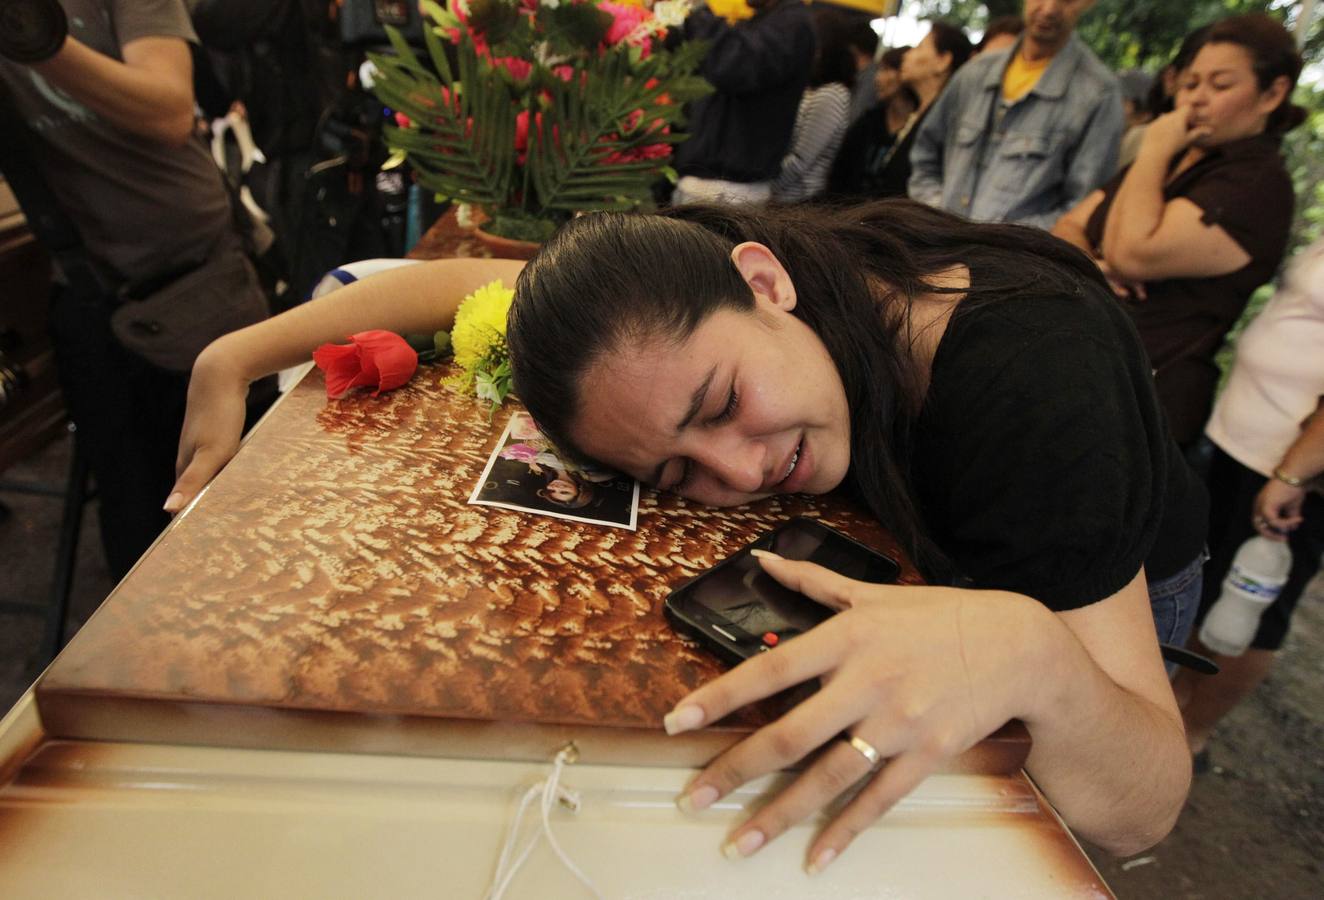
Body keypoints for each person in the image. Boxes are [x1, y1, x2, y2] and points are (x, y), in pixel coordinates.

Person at [173, 198, 1206, 870]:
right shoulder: (688, 295)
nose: (744, 472)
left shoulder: (1032, 384)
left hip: (1105, 587)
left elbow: (1137, 808)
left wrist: (1021, 645)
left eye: (720, 402)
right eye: (676, 474)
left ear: (763, 283)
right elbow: (457, 284)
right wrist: (229, 359)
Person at [0, 0, 270, 578]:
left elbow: (169, 109)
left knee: (247, 506)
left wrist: (38, 40)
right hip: (91, 287)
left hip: (202, 275)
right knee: (136, 527)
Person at [1052, 14, 1301, 448]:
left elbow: (1133, 253)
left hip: (1145, 398)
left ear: (1273, 93)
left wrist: (1154, 147)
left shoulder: (1256, 183)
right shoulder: (1175, 158)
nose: (1195, 101)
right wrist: (1092, 266)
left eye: (1220, 86)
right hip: (1079, 366)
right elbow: (1069, 226)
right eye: (1189, 84)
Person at [1172, 238, 1324, 767]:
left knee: (1257, 605)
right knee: (1209, 582)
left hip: (1292, 467)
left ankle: (1194, 731)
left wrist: (1295, 472)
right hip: (1243, 443)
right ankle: (1175, 703)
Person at [908, 0, 1123, 228]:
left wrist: (1007, 243)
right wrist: (937, 210)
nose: (1049, 9)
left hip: (1015, 258)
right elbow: (925, 154)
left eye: (1067, 1)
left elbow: (1081, 208)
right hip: (939, 245)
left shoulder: (1098, 94)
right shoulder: (974, 73)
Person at [669, 0, 816, 206]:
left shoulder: (793, 22)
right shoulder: (768, 21)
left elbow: (733, 65)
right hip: (713, 186)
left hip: (727, 191)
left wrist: (696, 10)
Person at [830, 23, 971, 202]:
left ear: (943, 61)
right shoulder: (916, 115)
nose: (908, 55)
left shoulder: (945, 126)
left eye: (919, 47)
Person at [771, 11, 855, 203]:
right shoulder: (809, 89)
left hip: (797, 203)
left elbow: (800, 161)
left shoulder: (831, 94)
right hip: (782, 199)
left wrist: (762, 186)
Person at [826, 47, 916, 199]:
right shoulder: (869, 121)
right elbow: (840, 172)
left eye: (886, 70)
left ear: (905, 74)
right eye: (879, 70)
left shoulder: (918, 129)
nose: (877, 78)